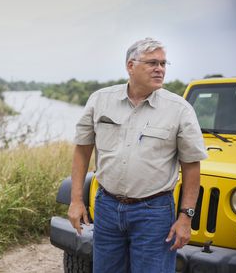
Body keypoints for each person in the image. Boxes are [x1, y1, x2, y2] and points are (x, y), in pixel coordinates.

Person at [68, 37, 208, 273]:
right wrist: (76, 200)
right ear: (130, 66)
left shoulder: (179, 109)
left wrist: (186, 217)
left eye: (164, 64)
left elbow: (191, 166)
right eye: (152, 63)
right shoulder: (100, 100)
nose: (160, 69)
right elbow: (82, 150)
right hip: (107, 207)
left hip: (154, 212)